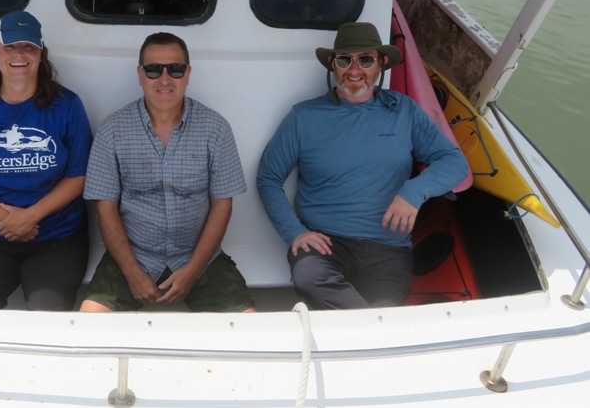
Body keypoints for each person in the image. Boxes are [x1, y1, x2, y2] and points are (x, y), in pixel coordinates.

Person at [256, 22, 469, 310]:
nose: (354, 70)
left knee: (383, 303)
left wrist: (414, 192)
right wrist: (295, 232)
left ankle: (364, 328)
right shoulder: (303, 117)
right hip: (325, 245)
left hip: (389, 249)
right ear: (333, 65)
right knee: (310, 278)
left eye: (365, 60)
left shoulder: (404, 111)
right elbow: (268, 178)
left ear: (381, 64)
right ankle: (374, 332)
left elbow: (455, 162)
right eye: (345, 60)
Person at [80, 32, 255, 312]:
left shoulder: (216, 128)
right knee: (89, 324)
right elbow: (106, 209)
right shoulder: (112, 129)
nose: (164, 79)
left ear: (188, 73)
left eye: (175, 69)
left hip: (199, 259)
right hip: (132, 258)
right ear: (139, 74)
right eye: (153, 69)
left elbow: (222, 206)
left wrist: (193, 271)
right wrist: (133, 274)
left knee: (251, 329)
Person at [0, 10, 93, 310]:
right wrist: (6, 221)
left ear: (41, 53)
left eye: (28, 47)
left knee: (47, 317)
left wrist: (30, 217)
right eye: (10, 46)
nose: (19, 55)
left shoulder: (67, 106)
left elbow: (79, 175)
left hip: (56, 236)